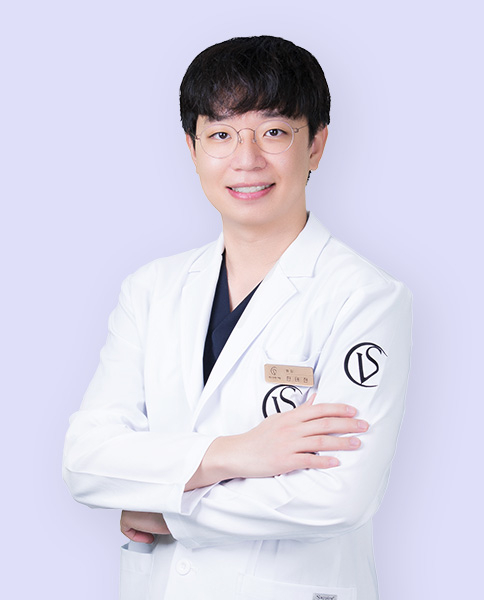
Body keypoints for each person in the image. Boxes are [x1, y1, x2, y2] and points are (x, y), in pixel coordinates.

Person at [63, 35, 412, 600]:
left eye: (274, 132)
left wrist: (166, 510)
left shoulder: (363, 297)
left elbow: (338, 497)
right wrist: (236, 453)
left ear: (316, 145)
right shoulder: (151, 289)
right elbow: (86, 461)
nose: (246, 160)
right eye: (221, 135)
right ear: (192, 147)